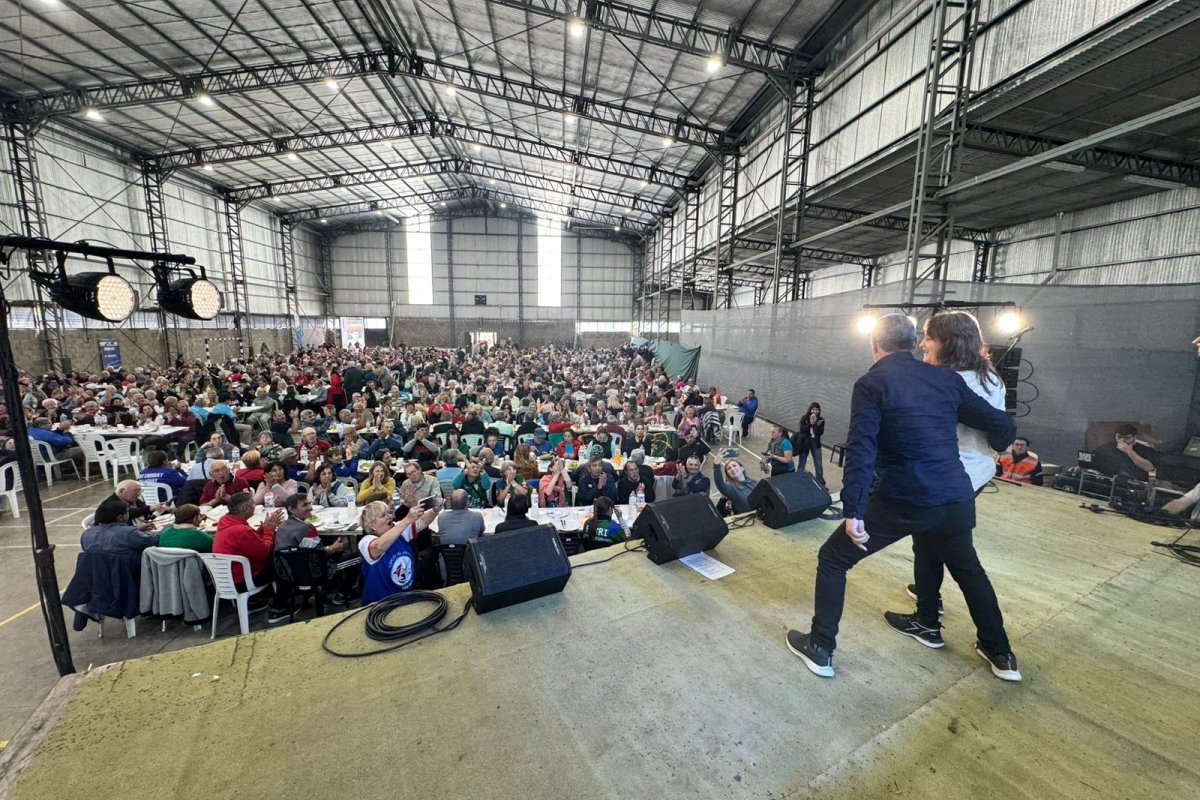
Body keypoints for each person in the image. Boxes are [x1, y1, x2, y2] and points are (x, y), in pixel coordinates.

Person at [785, 314, 1019, 682]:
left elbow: (861, 449)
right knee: (969, 570)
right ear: (912, 343)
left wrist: (853, 510)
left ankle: (820, 646)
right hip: (957, 498)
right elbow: (1002, 424)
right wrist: (998, 446)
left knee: (833, 558)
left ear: (875, 345)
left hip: (906, 497)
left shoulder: (872, 383)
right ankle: (1000, 653)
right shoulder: (946, 379)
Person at [213, 492, 287, 619]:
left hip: (226, 579)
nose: (255, 506)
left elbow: (249, 542)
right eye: (253, 504)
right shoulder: (241, 530)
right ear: (246, 508)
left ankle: (252, 603)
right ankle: (278, 609)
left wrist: (263, 528)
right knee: (283, 563)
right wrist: (269, 531)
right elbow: (264, 552)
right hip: (242, 581)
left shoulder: (225, 521)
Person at [358, 499, 439, 604]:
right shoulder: (366, 542)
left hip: (405, 599)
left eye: (389, 513)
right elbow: (378, 547)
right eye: (383, 515)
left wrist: (434, 510)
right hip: (379, 604)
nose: (390, 516)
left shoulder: (398, 530)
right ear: (372, 525)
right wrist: (407, 519)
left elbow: (422, 522)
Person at [81, 498, 158, 558]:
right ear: (120, 517)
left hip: (96, 571)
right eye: (127, 512)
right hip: (128, 569)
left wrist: (136, 529)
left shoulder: (86, 534)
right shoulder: (129, 533)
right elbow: (154, 542)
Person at [1091, 424, 1158, 482]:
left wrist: (1129, 452)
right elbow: (1092, 464)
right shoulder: (1105, 448)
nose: (1122, 440)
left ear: (1135, 437)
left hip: (1135, 485)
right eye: (1119, 437)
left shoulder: (1145, 450)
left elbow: (1150, 468)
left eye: (1127, 438)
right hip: (1109, 484)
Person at [795, 402, 826, 486]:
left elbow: (819, 433)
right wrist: (810, 423)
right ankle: (798, 481)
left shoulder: (821, 420)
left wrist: (816, 424)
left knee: (818, 464)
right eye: (813, 409)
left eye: (817, 409)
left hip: (815, 443)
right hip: (805, 443)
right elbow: (802, 430)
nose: (815, 411)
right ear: (810, 410)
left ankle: (820, 483)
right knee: (802, 463)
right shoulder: (805, 418)